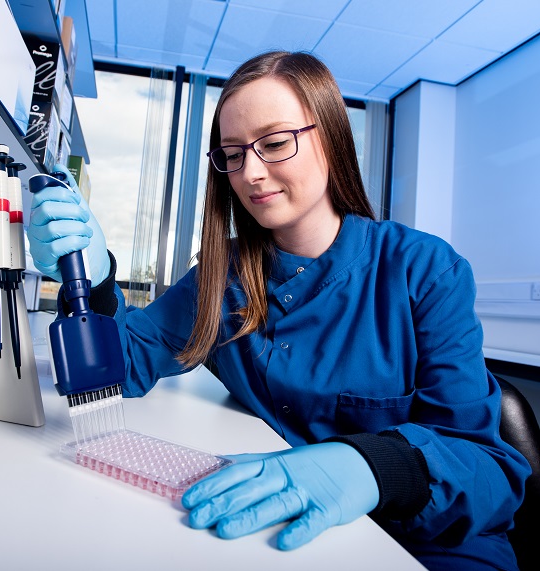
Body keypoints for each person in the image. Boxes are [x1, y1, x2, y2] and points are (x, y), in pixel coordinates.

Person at [27, 51, 530, 571]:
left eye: (273, 143)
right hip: (287, 537)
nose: (251, 173)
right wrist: (92, 274)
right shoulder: (222, 279)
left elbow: (489, 469)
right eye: (233, 154)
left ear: (332, 138)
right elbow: (121, 366)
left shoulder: (424, 270)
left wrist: (374, 468)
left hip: (431, 545)